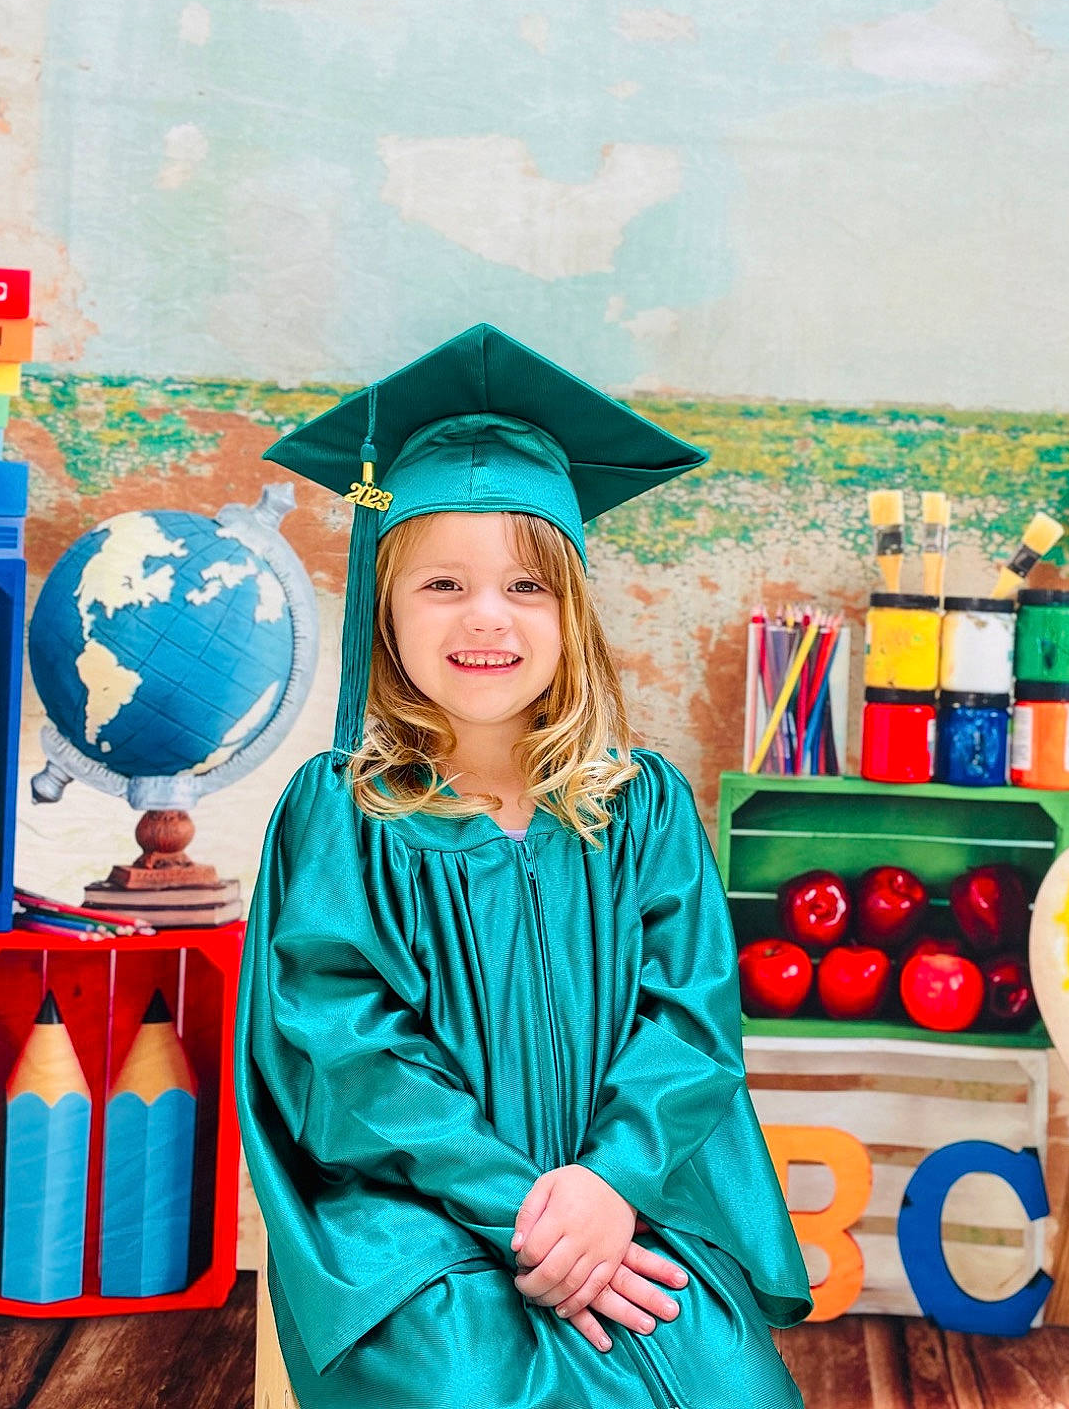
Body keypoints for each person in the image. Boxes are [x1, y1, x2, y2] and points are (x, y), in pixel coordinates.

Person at [236, 325, 812, 1408]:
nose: (486, 617)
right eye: (442, 585)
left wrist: (607, 1188)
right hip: (416, 1216)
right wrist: (526, 1212)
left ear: (571, 613)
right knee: (472, 1383)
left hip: (630, 1195)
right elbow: (349, 1057)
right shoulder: (345, 810)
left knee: (730, 1389)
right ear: (384, 610)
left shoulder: (639, 810)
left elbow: (687, 1026)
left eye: (525, 587)